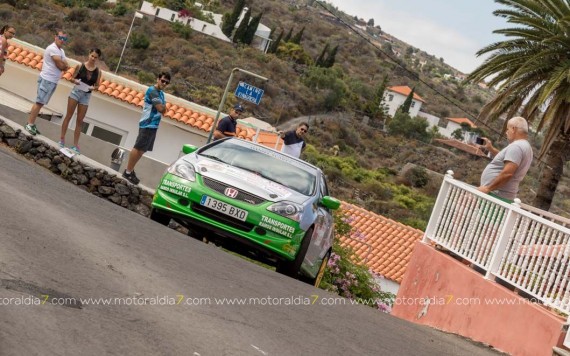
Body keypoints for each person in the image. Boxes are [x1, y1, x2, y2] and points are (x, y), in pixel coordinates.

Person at [122, 72, 171, 185]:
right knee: (138, 147)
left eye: (166, 82)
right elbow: (161, 108)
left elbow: (164, 109)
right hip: (147, 123)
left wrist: (163, 108)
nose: (164, 83)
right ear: (158, 79)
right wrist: (163, 108)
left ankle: (131, 170)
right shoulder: (152, 91)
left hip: (154, 125)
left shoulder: (161, 94)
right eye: (162, 80)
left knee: (142, 150)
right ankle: (128, 171)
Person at [25, 30, 70, 136]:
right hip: (47, 80)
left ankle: (31, 124)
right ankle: (29, 124)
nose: (62, 40)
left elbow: (66, 65)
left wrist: (63, 65)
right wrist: (63, 65)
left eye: (64, 39)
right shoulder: (52, 49)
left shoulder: (61, 51)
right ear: (55, 37)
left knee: (41, 103)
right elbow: (61, 66)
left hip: (52, 81)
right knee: (39, 102)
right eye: (60, 37)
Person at [478, 116, 533, 202]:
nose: (506, 132)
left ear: (513, 129)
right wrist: (491, 149)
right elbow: (506, 159)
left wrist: (488, 188)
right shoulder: (525, 146)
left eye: (507, 129)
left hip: (496, 196)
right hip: (499, 195)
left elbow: (508, 173)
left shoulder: (516, 147)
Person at [59, 48, 102, 154]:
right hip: (76, 92)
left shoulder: (98, 71)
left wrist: (93, 88)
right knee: (69, 116)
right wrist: (76, 81)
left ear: (98, 58)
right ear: (89, 54)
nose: (93, 58)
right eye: (92, 56)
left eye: (95, 57)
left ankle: (75, 145)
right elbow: (71, 78)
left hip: (86, 95)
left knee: (80, 121)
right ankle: (62, 139)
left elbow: (97, 85)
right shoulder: (80, 66)